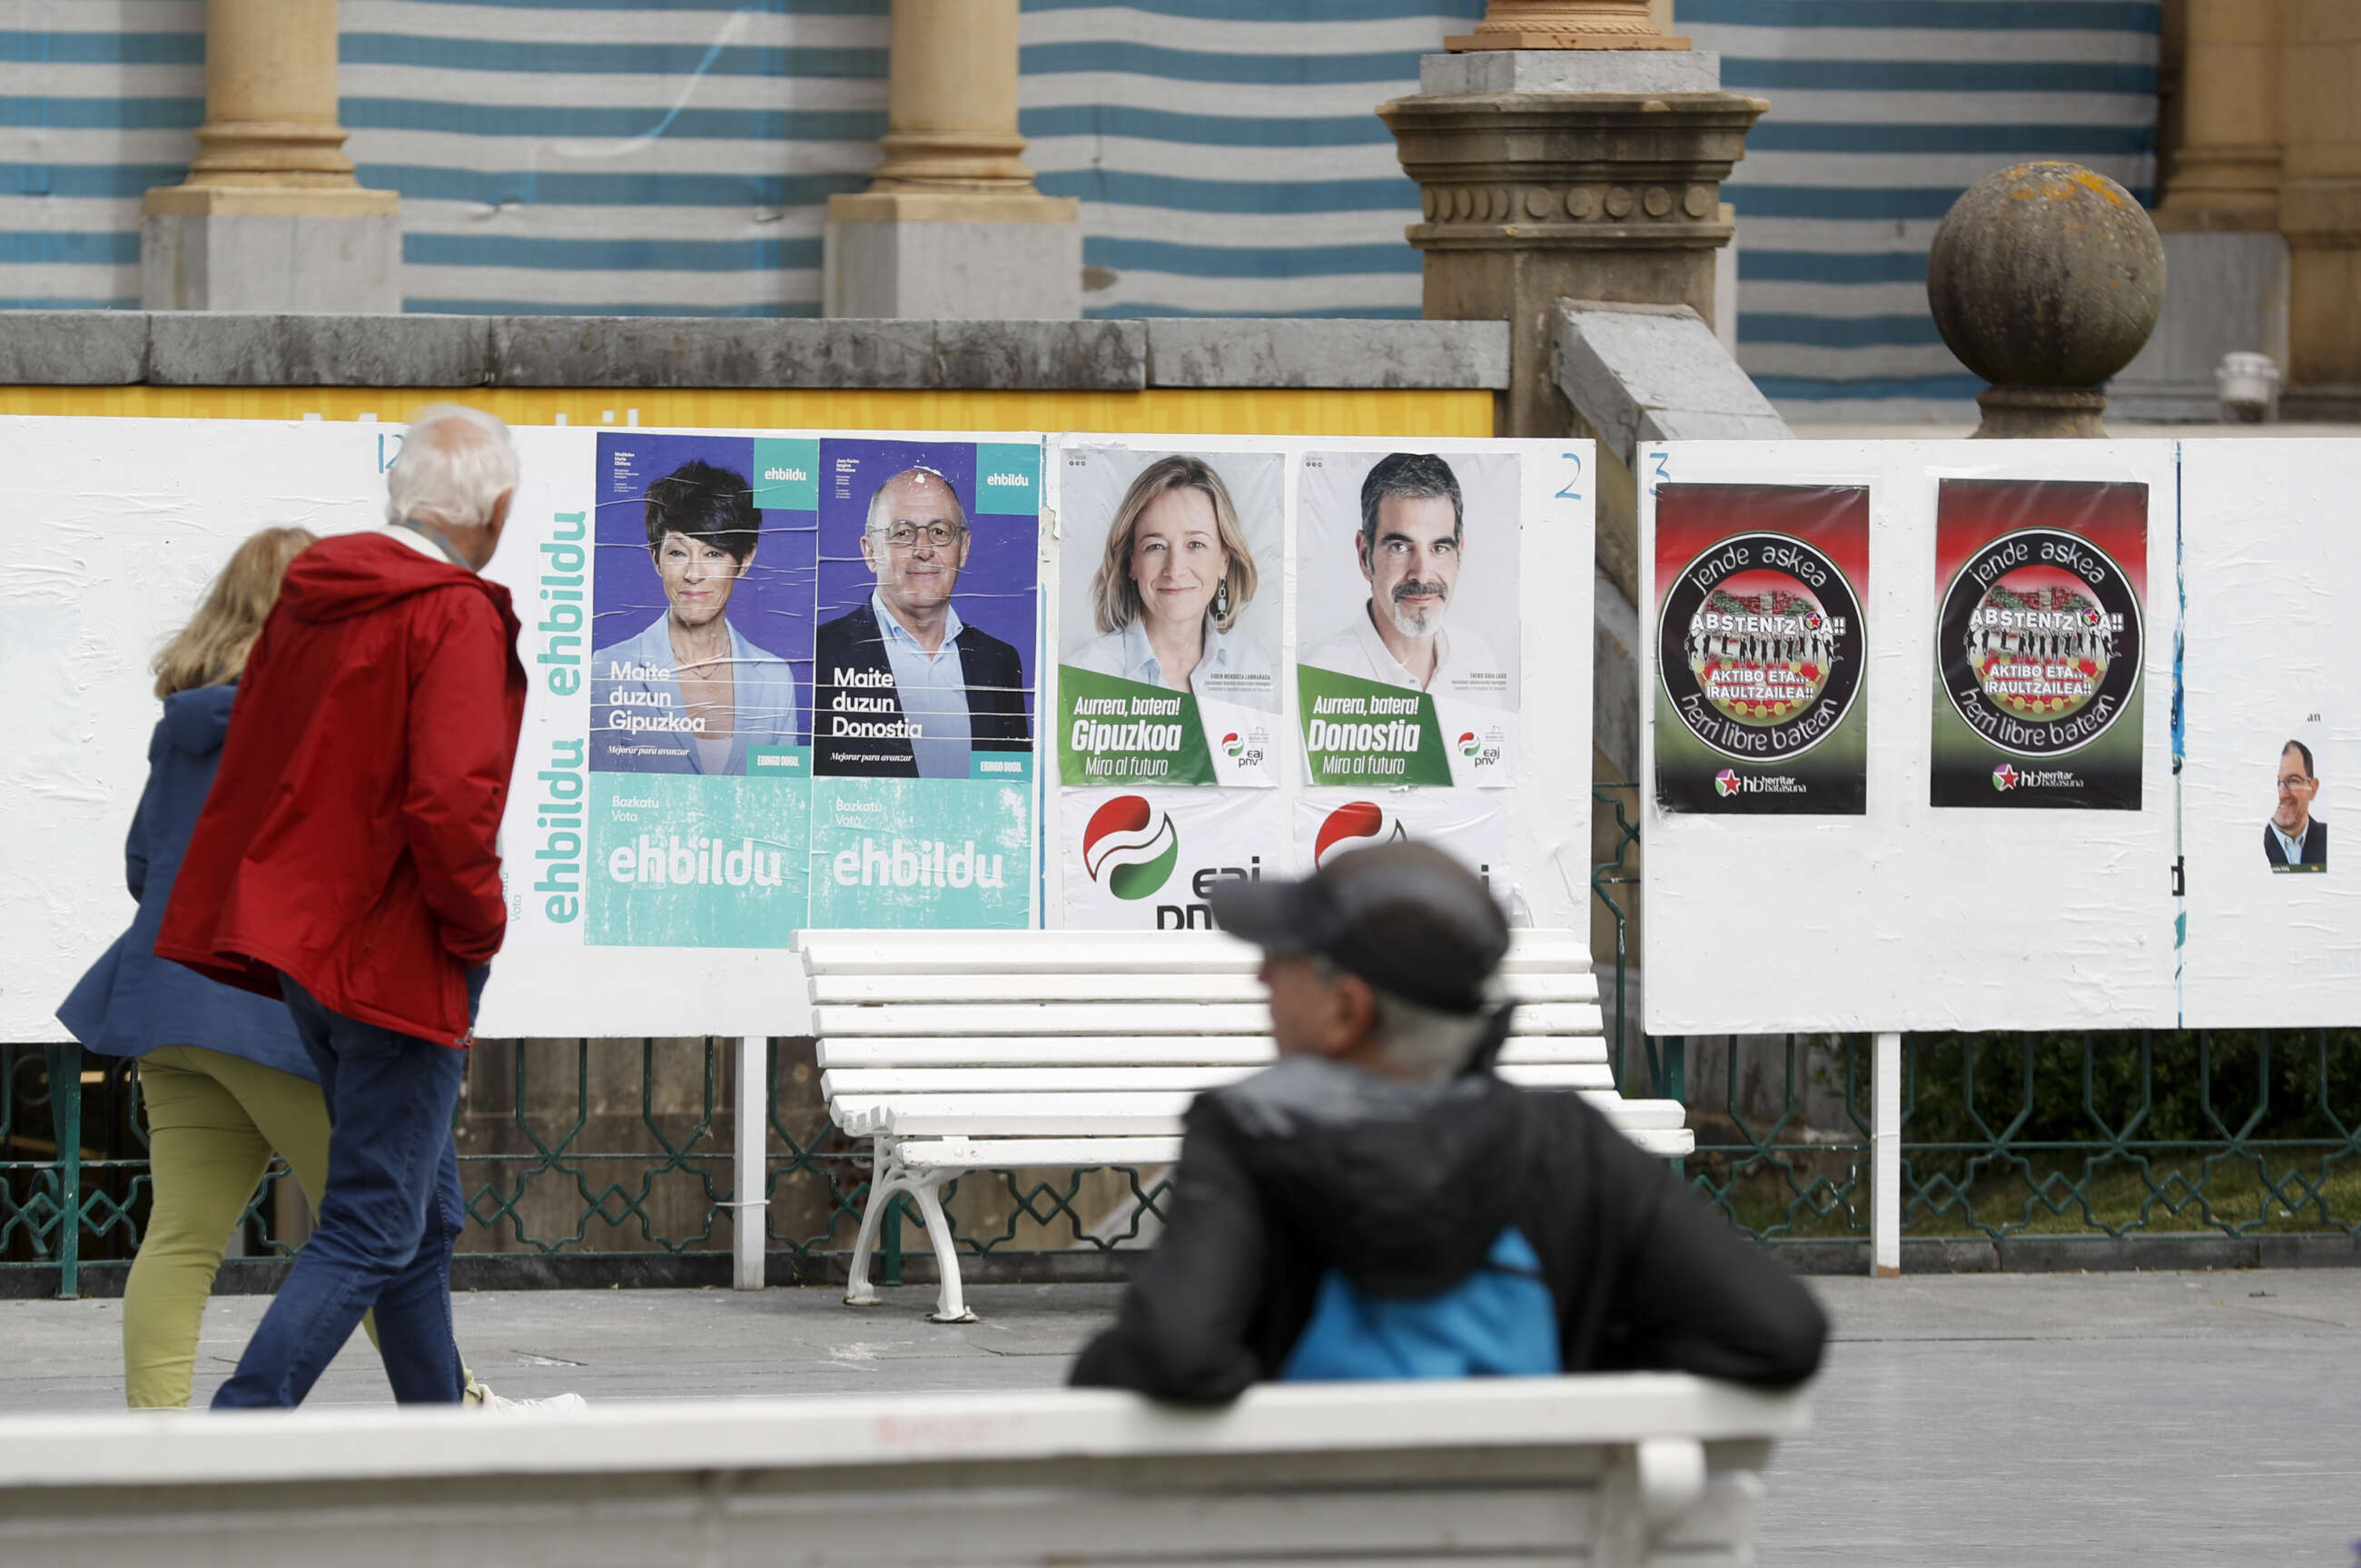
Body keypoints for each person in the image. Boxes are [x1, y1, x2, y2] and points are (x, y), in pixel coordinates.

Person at [60, 526, 571, 1414]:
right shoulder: (314, 719)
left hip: (168, 1006)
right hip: (275, 1014)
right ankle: (462, 1409)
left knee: (179, 1237)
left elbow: (146, 866)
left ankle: (160, 1443)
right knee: (374, 1229)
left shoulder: (179, 727)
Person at [1071, 841, 1827, 1400]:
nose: (1263, 972)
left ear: (1346, 1010)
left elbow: (1175, 1352)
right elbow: (1780, 1331)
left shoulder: (1250, 1137)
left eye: (1289, 955)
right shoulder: (1571, 1146)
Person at [158, 405, 535, 1410]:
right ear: (495, 510)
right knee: (374, 1220)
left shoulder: (314, 598)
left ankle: (436, 1428)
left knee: (418, 1216)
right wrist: (477, 930)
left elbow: (264, 772)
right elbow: (452, 803)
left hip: (308, 946)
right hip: (398, 951)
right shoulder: (451, 610)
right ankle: (243, 1427)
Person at [813, 466, 1030, 777]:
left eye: (940, 532)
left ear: (963, 548)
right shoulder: (821, 654)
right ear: (870, 552)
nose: (924, 550)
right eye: (902, 533)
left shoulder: (1000, 662)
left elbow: (1012, 788)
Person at [590, 458, 800, 776]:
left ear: (744, 560)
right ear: (656, 559)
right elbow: (601, 805)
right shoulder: (608, 670)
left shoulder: (775, 679)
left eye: (713, 553)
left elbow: (783, 804)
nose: (693, 574)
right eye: (677, 552)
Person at [1065, 454, 1272, 707]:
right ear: (1132, 563)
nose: (1174, 569)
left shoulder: (1254, 668)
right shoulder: (1085, 676)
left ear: (1224, 562)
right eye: (1155, 546)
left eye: (1195, 544)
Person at [1302, 452, 1503, 696]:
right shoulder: (1322, 678)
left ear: (1458, 554)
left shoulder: (1478, 661)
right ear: (1365, 555)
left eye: (1439, 548)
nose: (1422, 574)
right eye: (1400, 547)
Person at [2265, 739, 2327, 872]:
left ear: (2313, 788)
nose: (2282, 793)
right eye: (2277, 782)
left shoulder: (2332, 841)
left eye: (2292, 780)